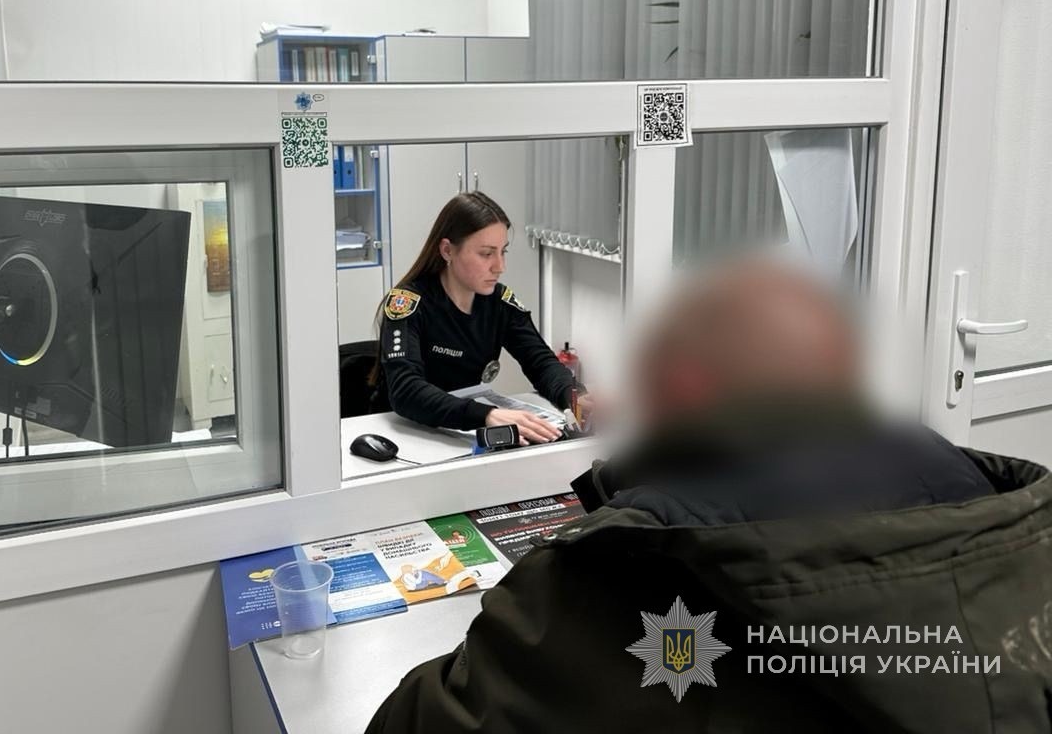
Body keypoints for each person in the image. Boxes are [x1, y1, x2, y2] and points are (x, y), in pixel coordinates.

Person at [366, 260, 1052, 733]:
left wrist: (576, 404)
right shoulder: (993, 496)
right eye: (486, 252)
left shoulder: (630, 567)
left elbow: (430, 720)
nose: (496, 263)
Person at [371, 192, 583, 444]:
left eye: (503, 252)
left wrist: (576, 398)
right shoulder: (408, 303)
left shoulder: (499, 302)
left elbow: (541, 362)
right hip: (405, 435)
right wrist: (487, 415)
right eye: (486, 254)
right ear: (447, 250)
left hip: (461, 432)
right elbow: (406, 390)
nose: (500, 266)